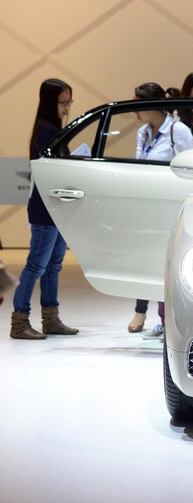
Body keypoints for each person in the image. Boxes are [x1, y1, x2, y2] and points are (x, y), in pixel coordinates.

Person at [10, 79, 80, 340]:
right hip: (45, 210)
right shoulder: (46, 131)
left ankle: (51, 319)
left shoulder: (54, 130)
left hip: (56, 208)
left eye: (69, 102)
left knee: (53, 266)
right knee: (36, 266)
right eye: (63, 102)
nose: (67, 107)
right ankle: (19, 322)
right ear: (50, 103)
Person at [127, 82, 193, 338]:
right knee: (145, 259)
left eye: (137, 104)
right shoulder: (143, 132)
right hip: (146, 206)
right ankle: (140, 310)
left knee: (168, 263)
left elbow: (188, 170)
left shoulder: (179, 130)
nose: (135, 110)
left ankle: (170, 319)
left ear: (151, 104)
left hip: (170, 206)